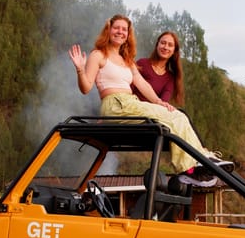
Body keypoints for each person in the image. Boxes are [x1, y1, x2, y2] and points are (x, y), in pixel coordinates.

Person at [69, 14, 225, 186]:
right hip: (115, 104)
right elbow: (86, 88)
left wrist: (158, 102)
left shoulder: (127, 60)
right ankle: (193, 167)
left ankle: (200, 161)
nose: (120, 32)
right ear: (109, 29)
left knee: (178, 116)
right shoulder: (98, 55)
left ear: (128, 35)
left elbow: (142, 84)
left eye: (124, 29)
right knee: (175, 118)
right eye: (116, 28)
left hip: (130, 102)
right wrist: (80, 70)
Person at [132, 31, 184, 107]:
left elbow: (163, 101)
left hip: (152, 111)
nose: (165, 47)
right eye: (163, 43)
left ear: (174, 51)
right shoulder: (142, 63)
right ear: (157, 45)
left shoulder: (170, 78)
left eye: (170, 45)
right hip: (133, 107)